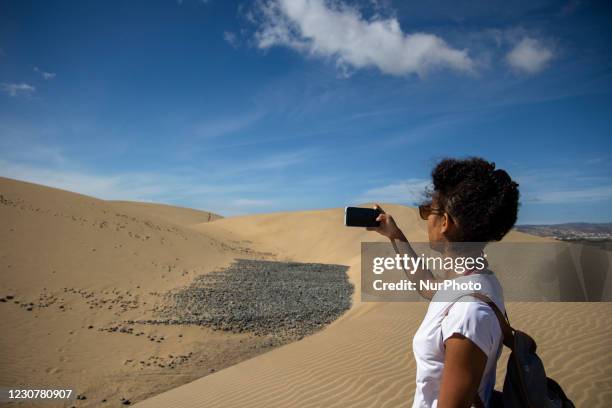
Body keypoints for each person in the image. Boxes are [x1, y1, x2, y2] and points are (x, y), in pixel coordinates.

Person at [368, 157, 519, 408]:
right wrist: (395, 235)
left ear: (445, 222)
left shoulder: (468, 315)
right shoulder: (479, 281)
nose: (426, 218)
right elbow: (429, 286)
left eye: (428, 211)